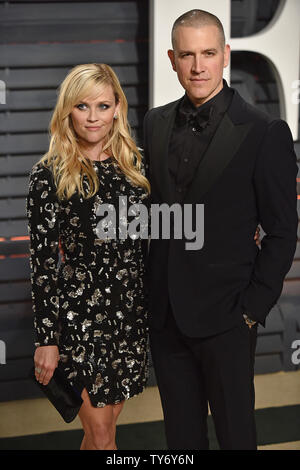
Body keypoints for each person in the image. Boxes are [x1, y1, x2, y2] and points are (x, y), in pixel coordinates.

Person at [143, 9, 298, 450]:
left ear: (225, 55)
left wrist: (250, 309)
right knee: (182, 440)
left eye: (208, 53)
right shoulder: (154, 123)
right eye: (187, 55)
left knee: (235, 436)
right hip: (167, 317)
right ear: (172, 59)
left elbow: (283, 231)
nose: (198, 67)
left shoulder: (264, 131)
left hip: (228, 318)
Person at [26, 63, 150, 450]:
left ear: (117, 108)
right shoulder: (48, 175)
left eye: (102, 105)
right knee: (101, 437)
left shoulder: (134, 167)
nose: (93, 117)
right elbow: (44, 264)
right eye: (82, 106)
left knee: (101, 434)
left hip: (129, 318)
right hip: (80, 322)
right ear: (68, 110)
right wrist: (47, 338)